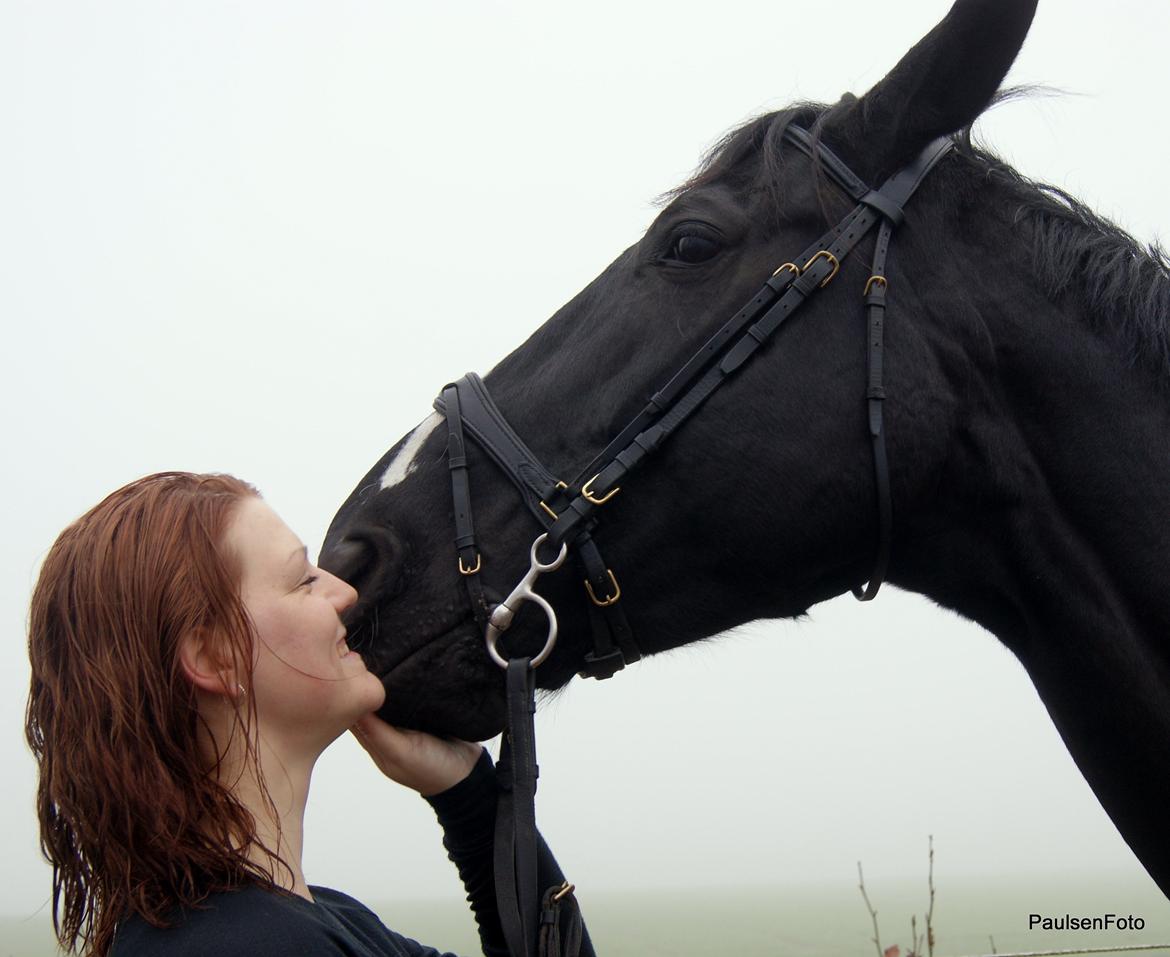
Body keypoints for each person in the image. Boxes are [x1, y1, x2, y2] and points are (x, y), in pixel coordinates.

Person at [26, 471, 588, 957]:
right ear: (213, 656)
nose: (344, 592)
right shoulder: (252, 945)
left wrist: (468, 794)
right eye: (303, 580)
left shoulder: (302, 922)